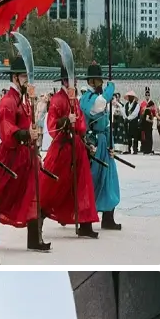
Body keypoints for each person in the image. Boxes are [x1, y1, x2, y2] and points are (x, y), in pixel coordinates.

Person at [0, 56, 50, 253]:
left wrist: (34, 147)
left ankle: (34, 239)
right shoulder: (8, 101)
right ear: (16, 78)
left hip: (26, 155)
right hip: (11, 157)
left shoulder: (23, 101)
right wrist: (26, 134)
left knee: (34, 193)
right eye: (25, 76)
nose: (27, 80)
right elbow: (6, 128)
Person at [40, 63, 98, 237]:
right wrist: (66, 121)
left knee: (83, 184)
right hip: (63, 147)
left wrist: (80, 131)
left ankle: (85, 223)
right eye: (72, 80)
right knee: (55, 184)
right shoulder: (57, 99)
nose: (75, 83)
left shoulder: (75, 100)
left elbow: (81, 124)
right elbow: (52, 124)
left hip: (77, 146)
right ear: (65, 81)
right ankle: (39, 216)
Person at [79, 62, 121, 231]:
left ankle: (108, 217)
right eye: (98, 81)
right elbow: (100, 105)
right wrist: (110, 89)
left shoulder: (98, 96)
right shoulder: (87, 99)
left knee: (110, 179)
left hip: (104, 141)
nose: (101, 84)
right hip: (93, 143)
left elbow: (106, 123)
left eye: (102, 81)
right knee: (93, 179)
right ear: (91, 81)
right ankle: (85, 219)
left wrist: (111, 144)